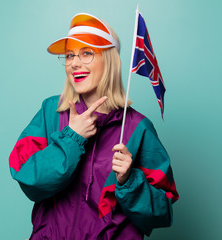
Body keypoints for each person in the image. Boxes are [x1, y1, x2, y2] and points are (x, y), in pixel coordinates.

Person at [9, 13, 179, 239]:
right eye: (69, 56)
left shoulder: (138, 128)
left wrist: (129, 181)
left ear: (109, 60)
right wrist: (71, 138)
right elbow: (28, 180)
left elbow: (163, 214)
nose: (75, 63)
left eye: (87, 53)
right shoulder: (51, 111)